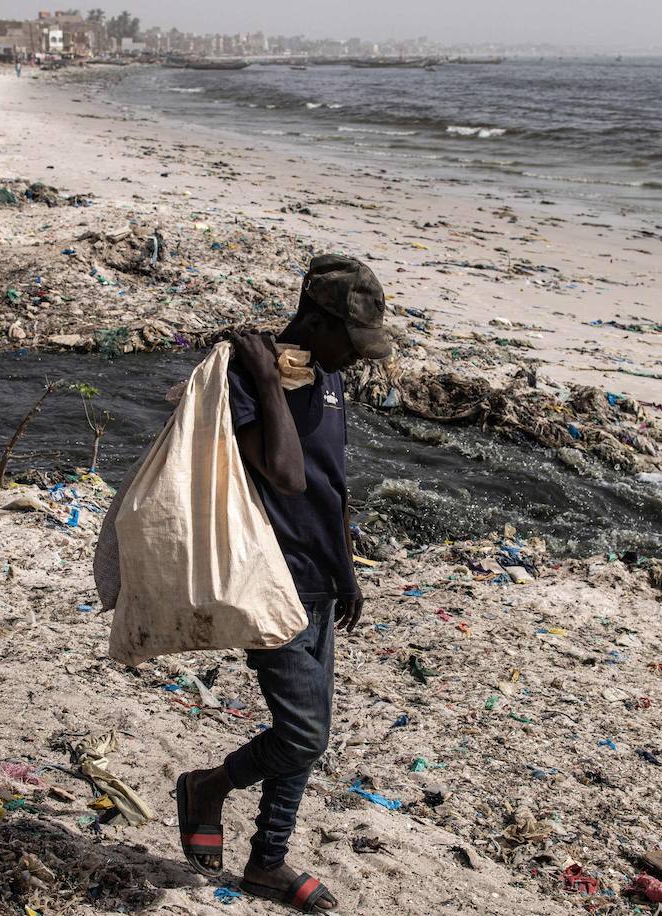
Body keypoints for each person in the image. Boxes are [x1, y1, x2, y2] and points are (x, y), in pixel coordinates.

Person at [175, 255, 393, 913]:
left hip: (321, 577)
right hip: (272, 580)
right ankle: (209, 787)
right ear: (315, 318)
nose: (355, 359)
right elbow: (284, 473)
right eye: (349, 342)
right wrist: (270, 382)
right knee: (303, 734)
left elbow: (330, 481)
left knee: (306, 729)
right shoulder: (246, 376)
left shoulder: (326, 377)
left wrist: (347, 570)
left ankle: (267, 862)